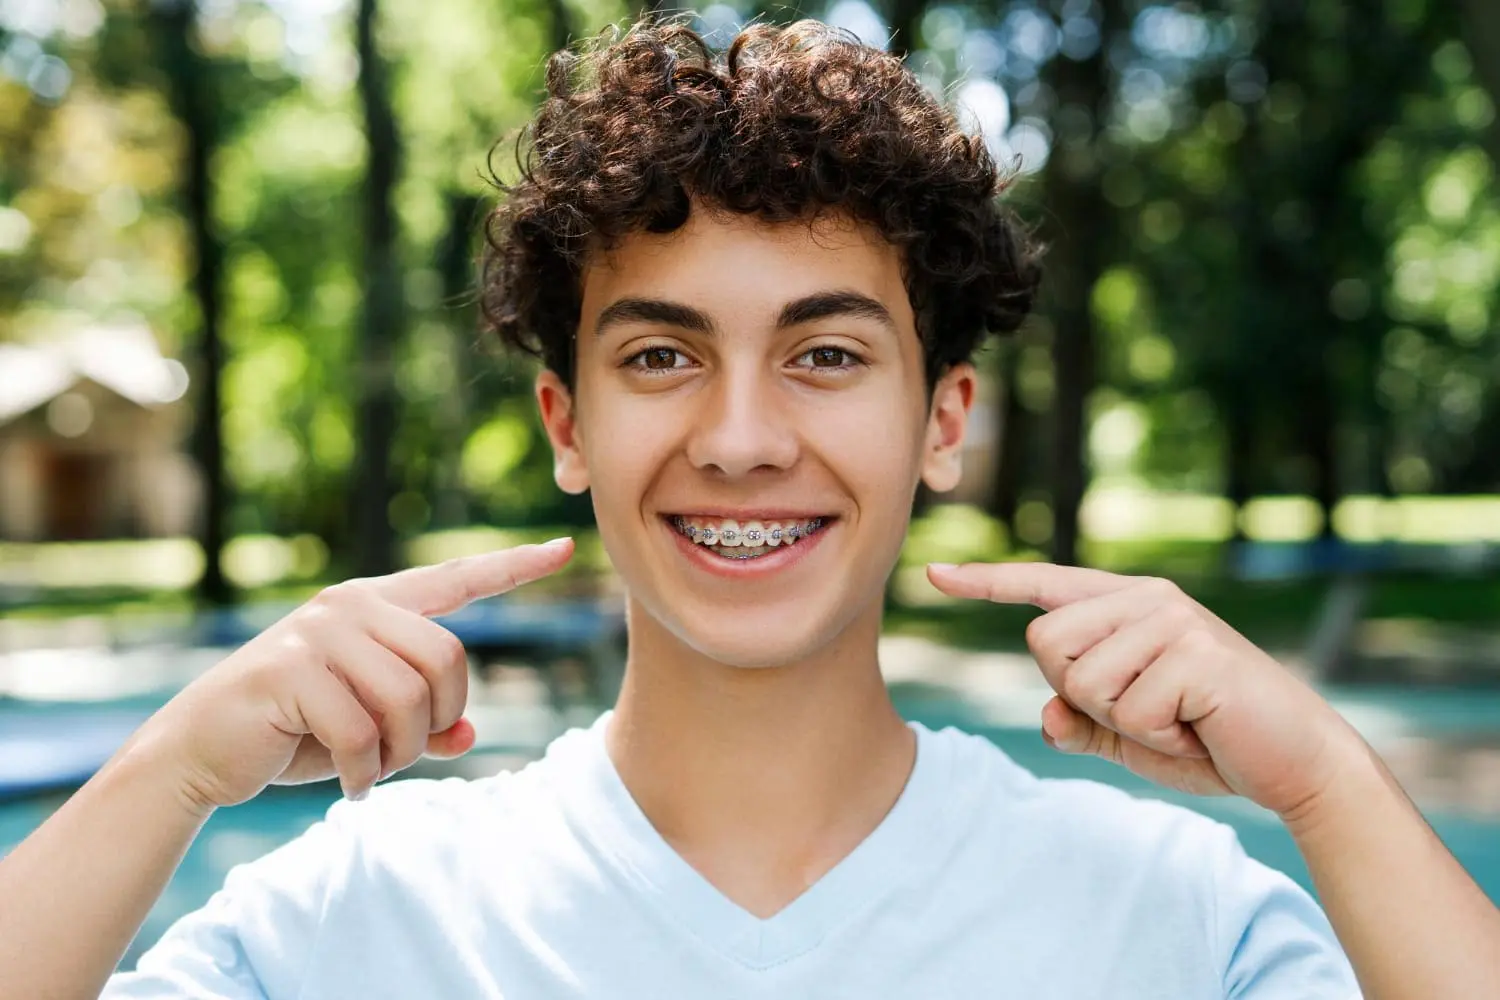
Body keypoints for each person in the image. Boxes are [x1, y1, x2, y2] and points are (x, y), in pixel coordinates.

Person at [2, 16, 1497, 1000]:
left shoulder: (1176, 922)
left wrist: (1330, 788)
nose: (738, 437)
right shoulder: (360, 911)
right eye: (662, 355)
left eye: (827, 354)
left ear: (943, 421)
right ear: (567, 424)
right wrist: (168, 776)